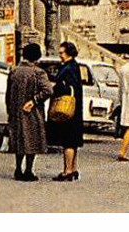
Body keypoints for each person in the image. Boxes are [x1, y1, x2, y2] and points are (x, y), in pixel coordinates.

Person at [5, 42, 52, 180]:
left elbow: (8, 94)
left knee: (19, 140)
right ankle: (29, 171)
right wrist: (35, 100)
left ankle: (18, 168)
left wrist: (10, 109)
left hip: (15, 111)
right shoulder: (38, 72)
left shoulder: (14, 71)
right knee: (32, 141)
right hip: (32, 112)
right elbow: (48, 90)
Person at [46, 40, 85, 181]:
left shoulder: (68, 68)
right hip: (76, 107)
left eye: (62, 52)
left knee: (68, 141)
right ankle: (73, 168)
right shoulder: (74, 66)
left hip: (67, 107)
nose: (60, 55)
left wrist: (54, 87)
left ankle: (67, 170)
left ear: (68, 52)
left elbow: (67, 87)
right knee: (73, 141)